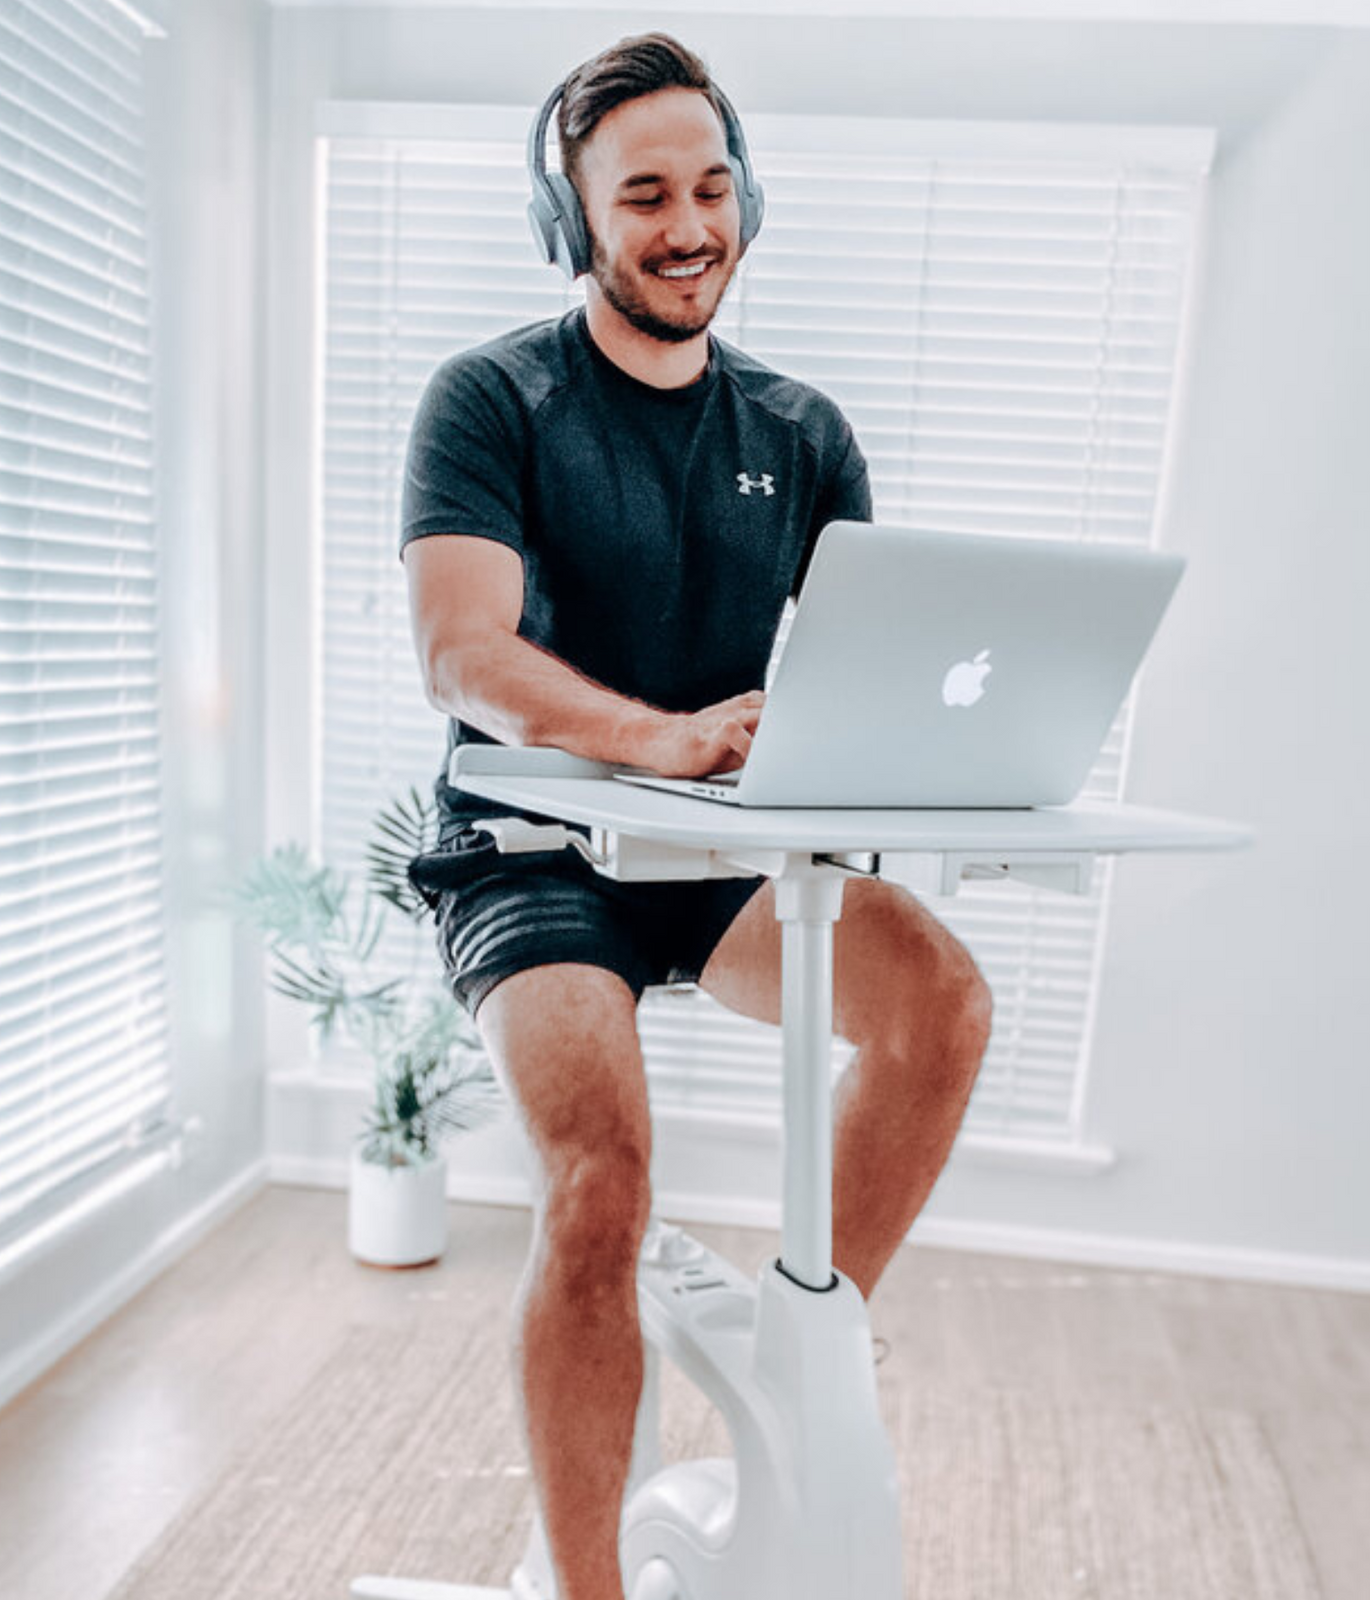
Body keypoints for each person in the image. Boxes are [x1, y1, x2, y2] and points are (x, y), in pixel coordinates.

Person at [400, 33, 992, 1600]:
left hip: (723, 858)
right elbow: (463, 652)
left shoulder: (800, 431)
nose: (687, 224)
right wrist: (657, 740)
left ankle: (797, 1366)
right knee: (604, 1180)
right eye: (644, 193)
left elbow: (858, 670)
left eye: (713, 186)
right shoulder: (494, 397)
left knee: (940, 1003)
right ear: (573, 220)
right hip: (534, 853)